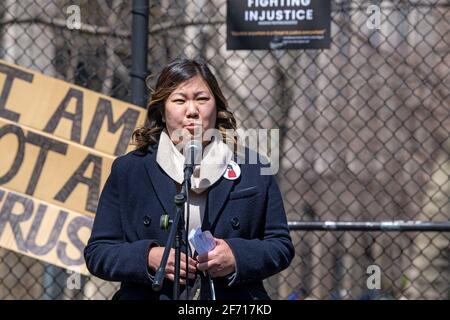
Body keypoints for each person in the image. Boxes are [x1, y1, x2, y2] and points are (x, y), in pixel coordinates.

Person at [84, 58, 294, 300]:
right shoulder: (130, 170)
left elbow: (280, 246)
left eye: (202, 99)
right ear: (162, 111)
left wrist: (236, 256)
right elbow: (98, 253)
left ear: (217, 106)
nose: (192, 110)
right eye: (179, 100)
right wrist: (150, 257)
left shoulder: (254, 168)